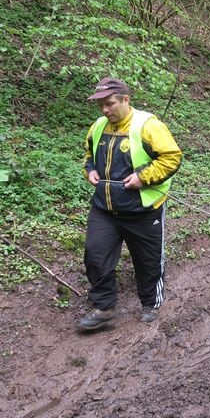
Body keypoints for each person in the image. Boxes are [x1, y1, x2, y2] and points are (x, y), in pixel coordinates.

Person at [78, 78, 182, 331]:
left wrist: (142, 177)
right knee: (95, 255)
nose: (105, 110)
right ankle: (104, 308)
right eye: (101, 105)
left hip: (143, 210)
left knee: (147, 261)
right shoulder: (98, 127)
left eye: (110, 104)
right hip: (105, 209)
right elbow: (89, 156)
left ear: (126, 99)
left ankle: (150, 303)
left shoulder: (148, 125)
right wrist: (89, 171)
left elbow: (172, 157)